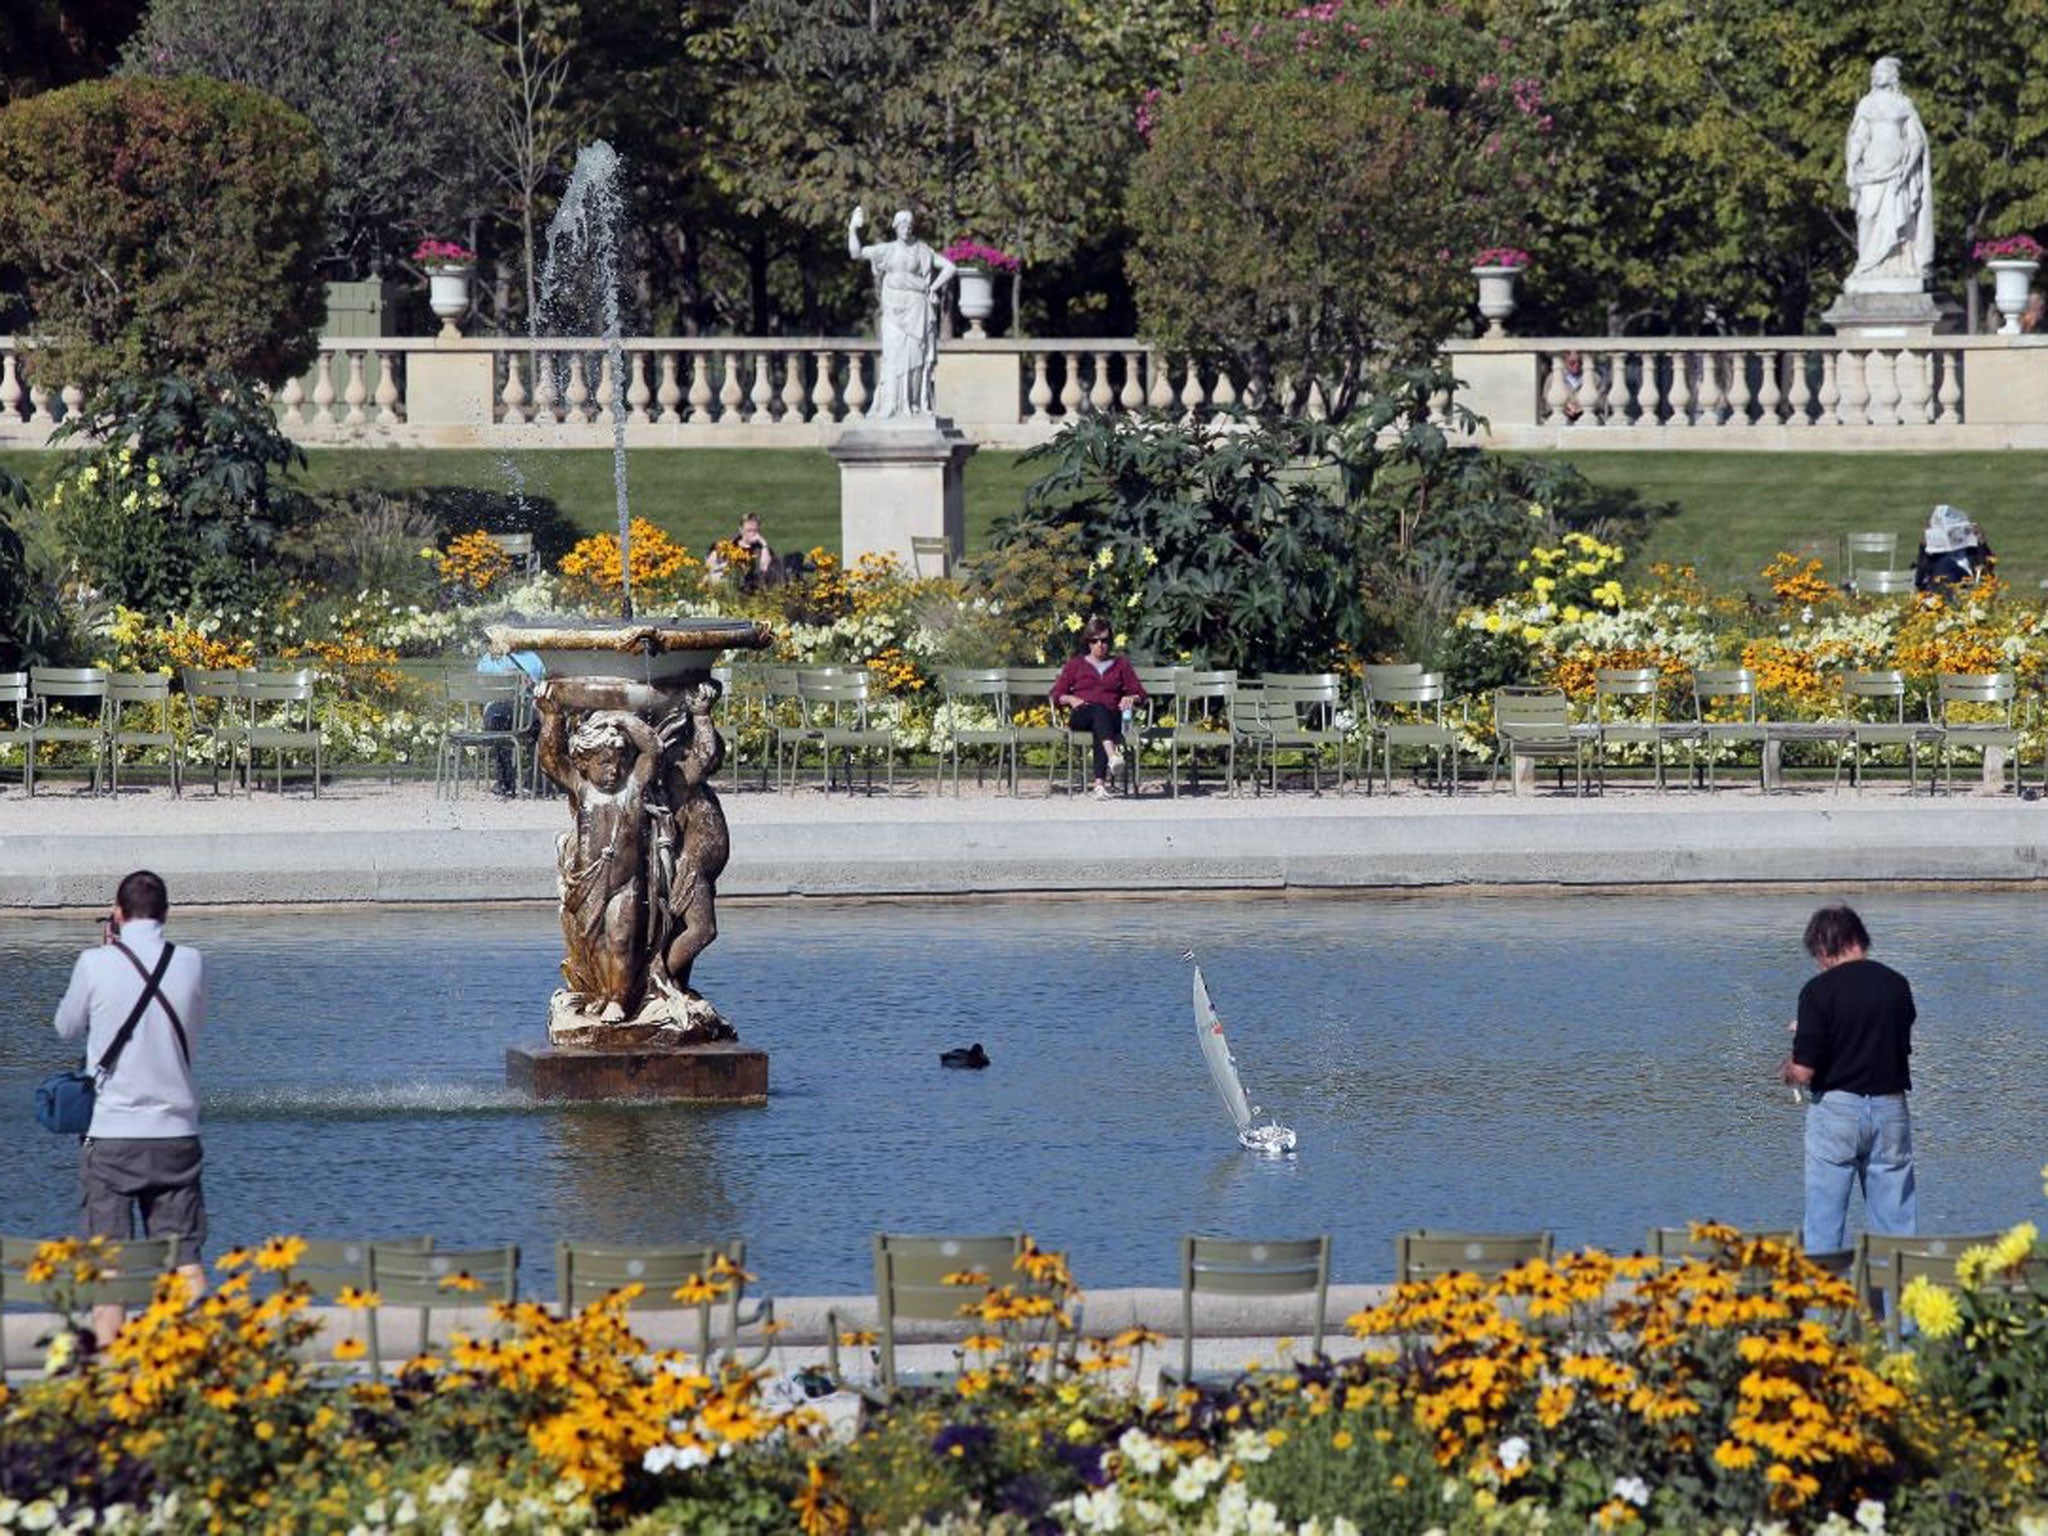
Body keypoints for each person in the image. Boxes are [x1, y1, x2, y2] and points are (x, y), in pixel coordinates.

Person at [53, 869, 207, 1345]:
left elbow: (65, 1027)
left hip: (114, 1135)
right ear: (166, 912)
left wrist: (106, 950)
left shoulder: (95, 962)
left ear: (117, 915)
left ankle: (108, 1370)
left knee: (108, 1264)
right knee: (186, 1260)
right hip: (177, 1133)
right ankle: (198, 1360)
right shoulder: (192, 962)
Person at [1781, 903, 1916, 1257]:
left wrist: (1789, 1067)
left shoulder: (1817, 991)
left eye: (1817, 954)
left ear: (1827, 946)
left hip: (1838, 1111)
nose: (1818, 963)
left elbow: (1804, 1071)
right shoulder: (1897, 985)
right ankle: (1901, 1312)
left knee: (1824, 1225)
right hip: (1890, 1108)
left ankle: (1822, 1311)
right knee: (1896, 1226)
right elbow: (1892, 1043)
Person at [847, 206, 955, 418]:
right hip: (894, 311)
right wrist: (852, 229)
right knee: (894, 355)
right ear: (896, 228)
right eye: (902, 224)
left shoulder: (923, 250)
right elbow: (856, 253)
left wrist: (932, 287)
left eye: (909, 225)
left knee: (916, 356)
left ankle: (913, 403)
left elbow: (950, 267)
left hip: (917, 309)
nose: (906, 228)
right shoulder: (886, 249)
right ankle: (893, 403)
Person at [1845, 57, 1934, 282]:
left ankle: (1896, 267)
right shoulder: (1866, 104)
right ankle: (1867, 264)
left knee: (1898, 219)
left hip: (1896, 173)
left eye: (1881, 71)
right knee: (1866, 215)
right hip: (1871, 172)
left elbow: (1916, 140)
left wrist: (1908, 166)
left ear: (1893, 75)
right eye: (1874, 71)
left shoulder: (1904, 104)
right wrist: (1851, 166)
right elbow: (1858, 138)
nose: (1876, 74)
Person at [1050, 617, 1147, 802]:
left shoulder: (1121, 664)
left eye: (1104, 640)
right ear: (1088, 642)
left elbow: (1141, 694)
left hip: (1112, 716)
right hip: (1082, 714)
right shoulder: (1075, 664)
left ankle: (1099, 785)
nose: (1100, 645)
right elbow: (1057, 694)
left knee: (1101, 724)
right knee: (1098, 711)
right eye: (1095, 640)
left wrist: (1130, 697)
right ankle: (1112, 757)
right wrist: (1071, 698)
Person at [476, 648, 545, 796]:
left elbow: (479, 686)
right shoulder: (532, 658)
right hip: (524, 716)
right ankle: (535, 782)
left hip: (496, 715)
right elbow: (540, 686)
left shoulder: (488, 658)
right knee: (539, 729)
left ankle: (505, 783)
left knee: (499, 732)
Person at [1912, 504, 1994, 590]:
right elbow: (1920, 580)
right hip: (1942, 594)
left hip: (1973, 592)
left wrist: (1981, 542)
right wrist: (1924, 547)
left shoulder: (1971, 551)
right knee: (1945, 564)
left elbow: (1989, 566)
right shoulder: (1934, 556)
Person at [705, 513, 777, 588]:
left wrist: (764, 544)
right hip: (727, 579)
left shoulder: (761, 549)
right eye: (749, 531)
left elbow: (765, 568)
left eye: (755, 531)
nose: (752, 534)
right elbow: (710, 563)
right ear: (741, 530)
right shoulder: (731, 543)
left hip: (750, 584)